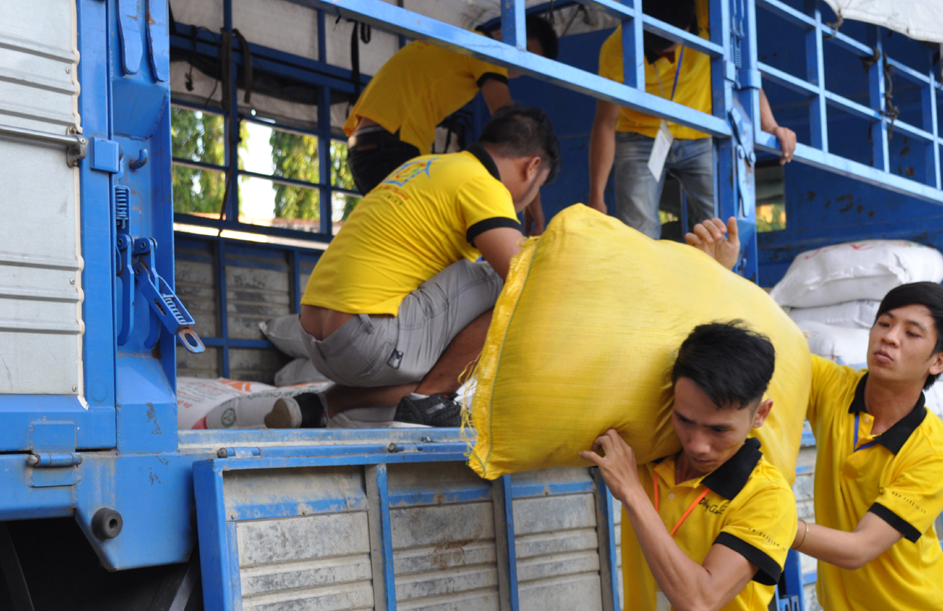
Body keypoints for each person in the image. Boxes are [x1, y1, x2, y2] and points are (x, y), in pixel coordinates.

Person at [688, 221, 943, 611]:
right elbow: (770, 343)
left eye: (911, 333)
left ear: (938, 361)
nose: (889, 338)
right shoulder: (837, 388)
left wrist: (773, 524)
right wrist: (720, 276)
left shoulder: (935, 452)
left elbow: (860, 547)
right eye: (884, 323)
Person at [577, 321, 795, 611]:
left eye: (719, 429)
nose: (698, 445)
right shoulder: (647, 454)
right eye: (684, 421)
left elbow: (698, 602)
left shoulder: (767, 498)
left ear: (760, 414)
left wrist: (632, 493)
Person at [265, 105, 560, 430]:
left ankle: (322, 405)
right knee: (516, 280)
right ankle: (429, 403)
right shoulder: (483, 184)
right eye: (539, 188)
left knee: (449, 358)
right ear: (532, 167)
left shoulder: (424, 166)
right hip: (366, 337)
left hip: (316, 337)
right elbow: (528, 279)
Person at [589, 0, 797, 239]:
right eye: (658, 51)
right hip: (639, 136)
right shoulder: (615, 49)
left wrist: (770, 125)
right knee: (638, 233)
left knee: (721, 225)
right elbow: (605, 122)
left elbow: (742, 70)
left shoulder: (710, 13)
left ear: (688, 26)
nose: (667, 56)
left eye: (672, 47)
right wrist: (597, 196)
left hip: (702, 131)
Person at [344, 16, 559, 232]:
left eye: (528, 64)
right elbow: (516, 131)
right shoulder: (487, 48)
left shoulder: (457, 41)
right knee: (441, 233)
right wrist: (531, 195)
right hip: (391, 144)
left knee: (414, 234)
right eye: (523, 51)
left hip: (365, 147)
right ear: (505, 32)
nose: (519, 65)